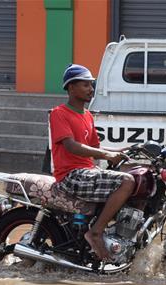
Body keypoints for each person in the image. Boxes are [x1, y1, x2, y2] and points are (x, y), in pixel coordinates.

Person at [49, 64, 134, 260]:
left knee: (139, 180)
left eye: (91, 85)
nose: (91, 89)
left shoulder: (87, 115)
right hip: (71, 175)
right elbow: (71, 146)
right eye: (85, 85)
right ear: (71, 87)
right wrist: (107, 156)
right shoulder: (59, 113)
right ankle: (95, 233)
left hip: (88, 171)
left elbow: (97, 147)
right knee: (127, 181)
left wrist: (124, 151)